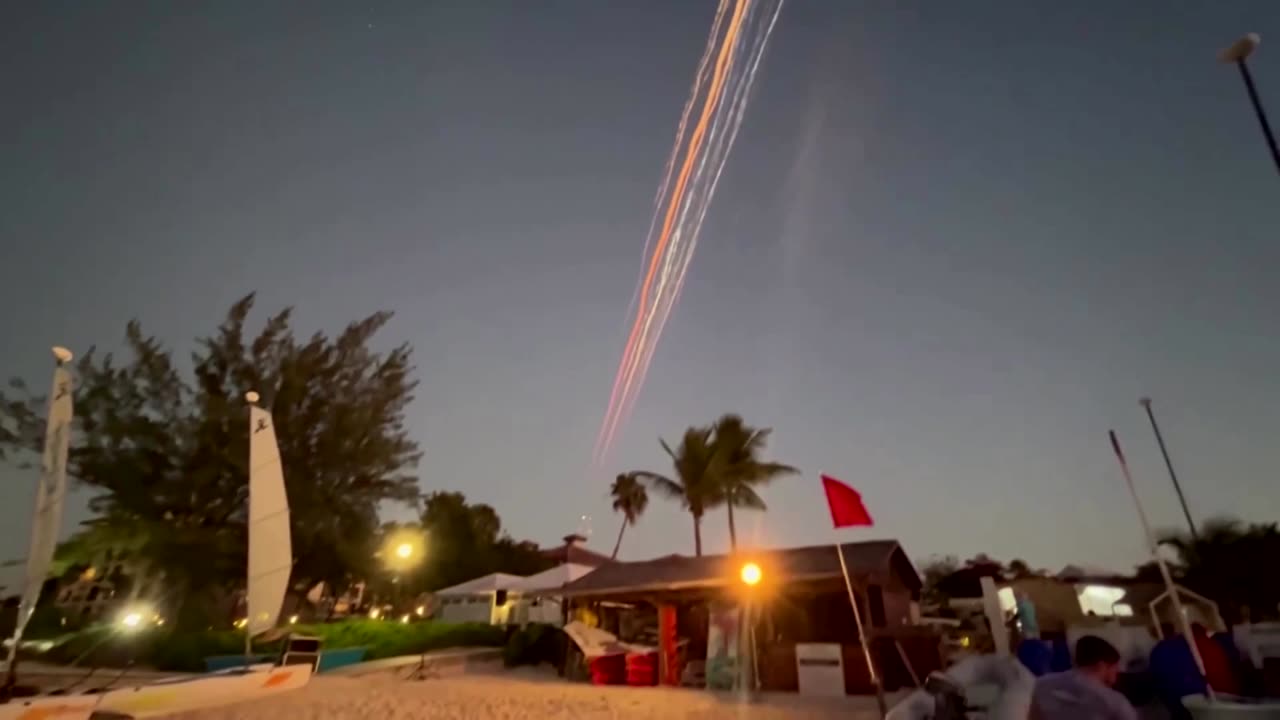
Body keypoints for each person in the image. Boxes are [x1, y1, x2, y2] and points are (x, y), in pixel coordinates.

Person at [1031, 635, 1137, 720]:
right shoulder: (1115, 702)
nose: (1118, 671)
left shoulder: (1041, 684)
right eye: (1115, 666)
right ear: (1101, 665)